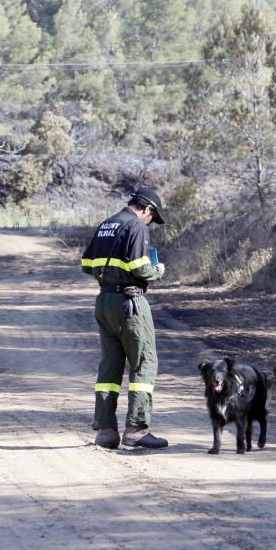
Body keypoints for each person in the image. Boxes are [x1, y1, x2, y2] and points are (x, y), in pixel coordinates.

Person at [81, 189, 169, 449]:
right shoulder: (136, 226)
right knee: (144, 362)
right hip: (129, 303)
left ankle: (106, 431)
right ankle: (137, 429)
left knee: (110, 366)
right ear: (147, 209)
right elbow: (140, 268)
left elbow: (87, 264)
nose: (150, 222)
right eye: (152, 217)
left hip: (104, 301)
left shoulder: (106, 224)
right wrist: (157, 271)